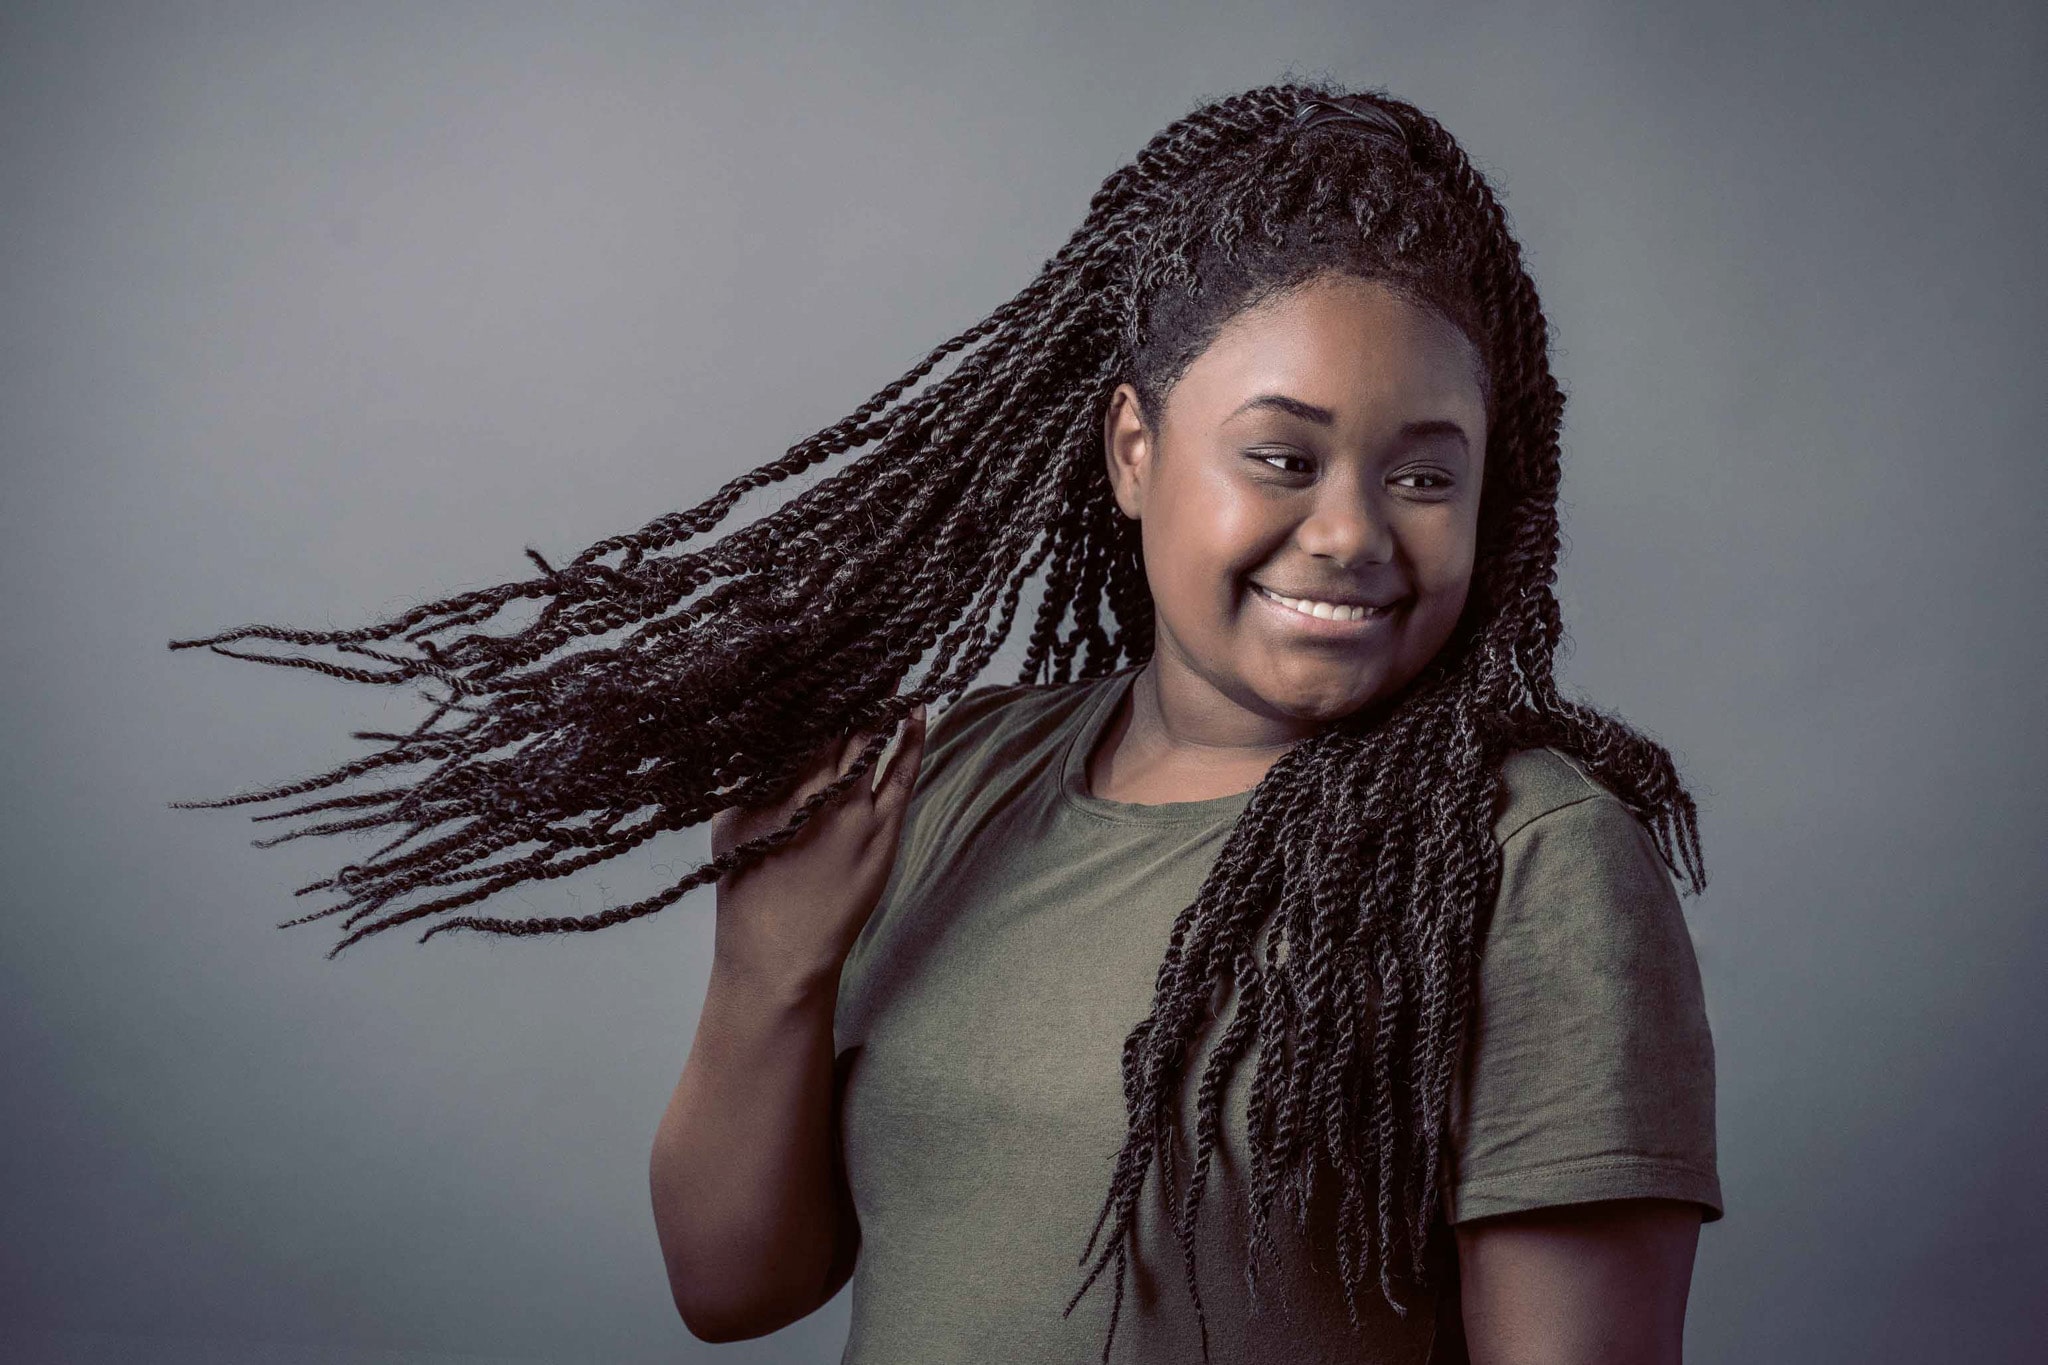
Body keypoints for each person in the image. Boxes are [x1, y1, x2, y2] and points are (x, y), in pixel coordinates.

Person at [169, 79, 1720, 1364]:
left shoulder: (1528, 858)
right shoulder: (967, 774)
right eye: (1282, 455)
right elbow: (735, 1285)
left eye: (1425, 473)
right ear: (1133, 447)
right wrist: (767, 961)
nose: (1353, 534)